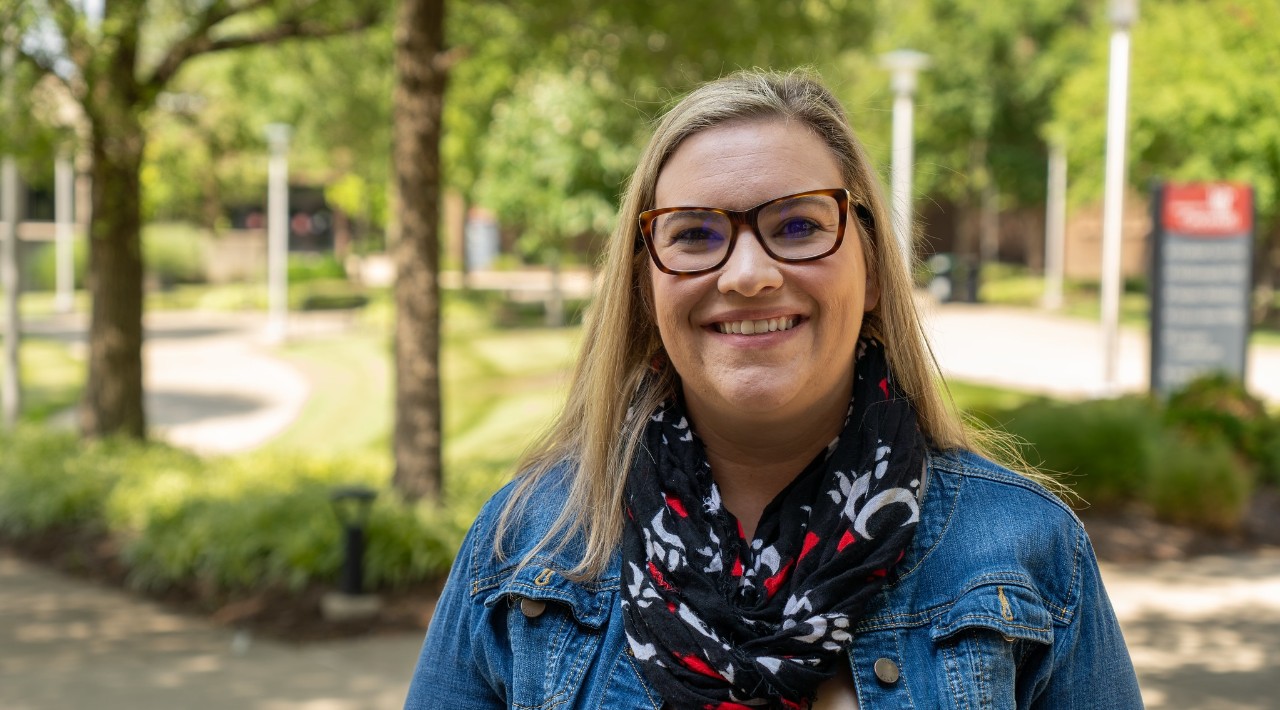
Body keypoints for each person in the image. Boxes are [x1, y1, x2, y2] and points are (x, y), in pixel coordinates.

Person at [404, 69, 1142, 709]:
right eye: (695, 235)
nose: (748, 274)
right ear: (644, 288)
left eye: (797, 226)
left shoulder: (1025, 553)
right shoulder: (527, 547)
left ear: (874, 271)